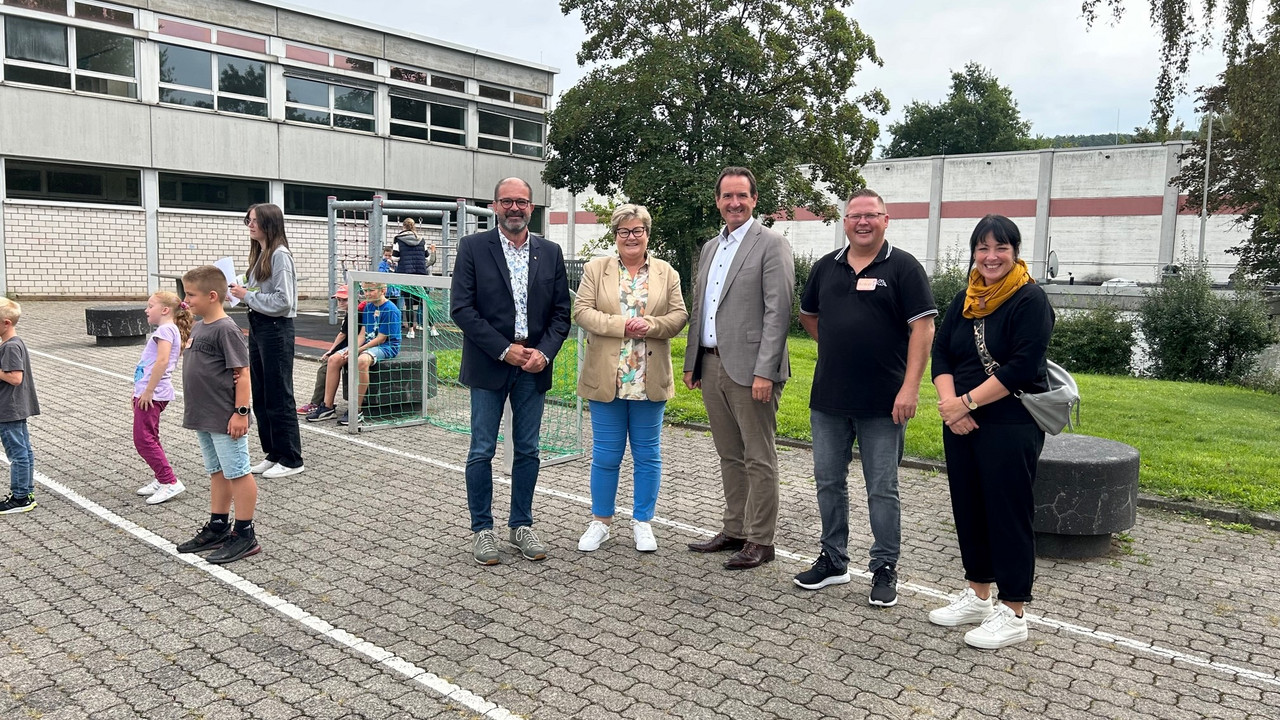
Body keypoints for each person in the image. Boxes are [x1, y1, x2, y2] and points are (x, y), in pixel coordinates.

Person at [791, 189, 937, 605]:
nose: (862, 222)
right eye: (854, 216)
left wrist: (910, 387)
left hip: (884, 403)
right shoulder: (826, 267)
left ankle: (884, 568)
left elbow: (923, 329)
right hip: (829, 400)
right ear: (845, 222)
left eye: (871, 215)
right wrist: (838, 346)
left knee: (882, 488)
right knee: (828, 483)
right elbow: (808, 314)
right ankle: (833, 561)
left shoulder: (904, 267)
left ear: (885, 220)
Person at [929, 214, 1054, 649]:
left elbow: (1024, 366)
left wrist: (966, 402)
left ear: (1015, 252)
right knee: (969, 508)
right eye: (982, 248)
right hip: (961, 421)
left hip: (1009, 423)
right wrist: (951, 407)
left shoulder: (1030, 300)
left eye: (1000, 247)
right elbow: (942, 352)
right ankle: (979, 595)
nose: (991, 256)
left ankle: (1014, 610)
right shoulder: (966, 297)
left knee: (1008, 514)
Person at [450, 177, 571, 566]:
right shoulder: (472, 247)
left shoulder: (550, 252)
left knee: (529, 449)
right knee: (481, 450)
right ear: (495, 206)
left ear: (531, 208)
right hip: (489, 363)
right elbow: (462, 309)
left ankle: (521, 524)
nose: (514, 208)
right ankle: (482, 530)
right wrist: (505, 350)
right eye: (507, 201)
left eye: (521, 202)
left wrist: (545, 353)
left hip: (533, 367)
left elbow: (561, 315)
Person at [683, 166, 795, 570]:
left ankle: (761, 540)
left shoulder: (771, 244)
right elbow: (701, 307)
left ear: (754, 200)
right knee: (729, 455)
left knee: (758, 457)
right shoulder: (712, 247)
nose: (734, 202)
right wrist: (692, 362)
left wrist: (765, 371)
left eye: (741, 196)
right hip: (712, 367)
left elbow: (778, 312)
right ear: (717, 201)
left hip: (752, 371)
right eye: (727, 196)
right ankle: (735, 529)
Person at [574, 204, 688, 553]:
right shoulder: (597, 268)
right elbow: (581, 311)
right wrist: (621, 324)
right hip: (606, 377)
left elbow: (680, 315)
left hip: (648, 378)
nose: (631, 237)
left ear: (647, 234)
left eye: (637, 230)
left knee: (647, 455)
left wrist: (651, 325)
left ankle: (643, 523)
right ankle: (601, 522)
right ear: (615, 236)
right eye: (624, 231)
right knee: (606, 455)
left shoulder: (666, 272)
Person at [176, 265, 261, 564]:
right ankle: (218, 525)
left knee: (238, 471)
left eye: (191, 294)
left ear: (213, 296)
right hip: (204, 415)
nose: (186, 300)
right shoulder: (199, 326)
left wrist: (240, 412)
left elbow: (243, 373)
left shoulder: (227, 329)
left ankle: (245, 532)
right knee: (218, 471)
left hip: (226, 417)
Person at [229, 203, 304, 480]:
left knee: (278, 394)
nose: (250, 225)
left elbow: (284, 302)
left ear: (269, 224)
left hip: (276, 329)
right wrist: (239, 293)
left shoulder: (280, 255)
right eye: (247, 219)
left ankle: (291, 457)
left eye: (255, 220)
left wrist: (246, 295)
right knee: (260, 393)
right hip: (259, 326)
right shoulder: (261, 254)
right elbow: (260, 293)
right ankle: (273, 453)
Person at [306, 283, 401, 426]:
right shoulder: (368, 307)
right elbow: (363, 334)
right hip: (368, 343)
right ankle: (327, 406)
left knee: (361, 361)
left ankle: (356, 409)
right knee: (334, 359)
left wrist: (358, 350)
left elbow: (381, 339)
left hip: (385, 346)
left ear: (383, 290)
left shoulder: (391, 310)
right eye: (365, 291)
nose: (367, 294)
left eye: (371, 290)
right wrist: (353, 347)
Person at [133, 290, 195, 505]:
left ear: (165, 310)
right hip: (150, 392)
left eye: (151, 306)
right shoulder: (168, 329)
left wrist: (148, 390)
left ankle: (169, 481)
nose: (146, 310)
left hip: (153, 394)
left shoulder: (165, 330)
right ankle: (161, 479)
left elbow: (162, 361)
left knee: (143, 440)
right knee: (150, 436)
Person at [0, 299, 40, 515]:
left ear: (6, 323)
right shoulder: (14, 343)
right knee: (23, 450)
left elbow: (15, 378)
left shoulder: (11, 346)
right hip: (13, 407)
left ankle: (20, 497)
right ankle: (27, 492)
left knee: (17, 454)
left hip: (8, 408)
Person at [296, 286, 359, 416]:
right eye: (339, 300)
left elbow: (342, 335)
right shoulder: (352, 312)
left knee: (326, 366)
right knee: (326, 366)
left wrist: (331, 351)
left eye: (344, 300)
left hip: (354, 347)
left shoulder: (355, 312)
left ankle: (320, 404)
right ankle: (322, 403)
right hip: (349, 347)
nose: (341, 303)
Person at [393, 217, 438, 339]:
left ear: (403, 226)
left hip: (406, 274)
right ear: (414, 227)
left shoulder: (398, 239)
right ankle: (433, 328)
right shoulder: (421, 239)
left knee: (408, 304)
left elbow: (395, 258)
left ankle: (411, 331)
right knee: (425, 302)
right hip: (420, 274)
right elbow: (427, 258)